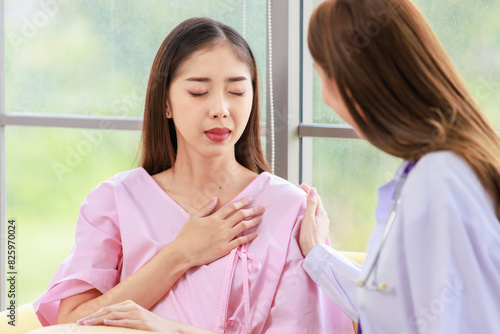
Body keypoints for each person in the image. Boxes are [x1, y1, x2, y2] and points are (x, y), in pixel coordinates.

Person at [34, 17, 354, 334]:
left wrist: (170, 328)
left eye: (237, 92)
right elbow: (71, 324)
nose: (220, 108)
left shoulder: (291, 210)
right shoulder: (115, 201)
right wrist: (180, 253)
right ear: (166, 103)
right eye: (199, 92)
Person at [298, 0, 500, 333]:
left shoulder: (438, 180)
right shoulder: (444, 167)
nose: (324, 98)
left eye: (320, 75)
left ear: (351, 82)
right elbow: (397, 308)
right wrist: (319, 256)